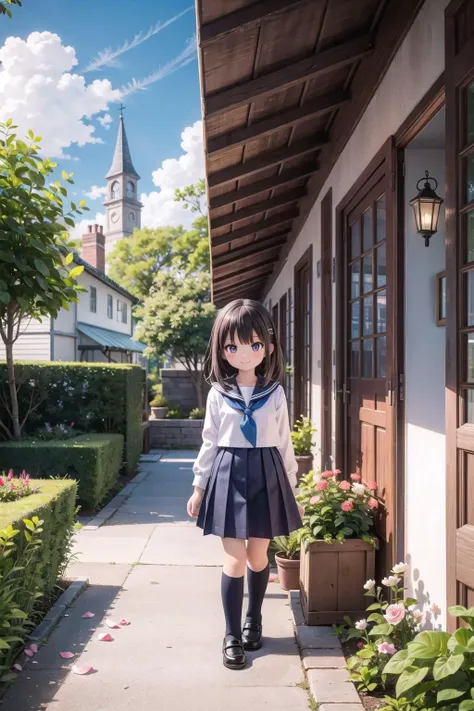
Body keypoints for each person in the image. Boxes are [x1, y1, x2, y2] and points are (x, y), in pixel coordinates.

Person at [187, 298, 304, 670]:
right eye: (232, 346)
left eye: (252, 345)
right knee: (235, 560)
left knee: (258, 557)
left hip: (267, 473)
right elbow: (209, 440)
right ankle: (232, 634)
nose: (242, 353)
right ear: (222, 349)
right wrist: (198, 486)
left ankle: (255, 619)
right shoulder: (218, 393)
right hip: (228, 472)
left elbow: (285, 443)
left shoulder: (276, 393)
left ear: (267, 347)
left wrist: (294, 491)